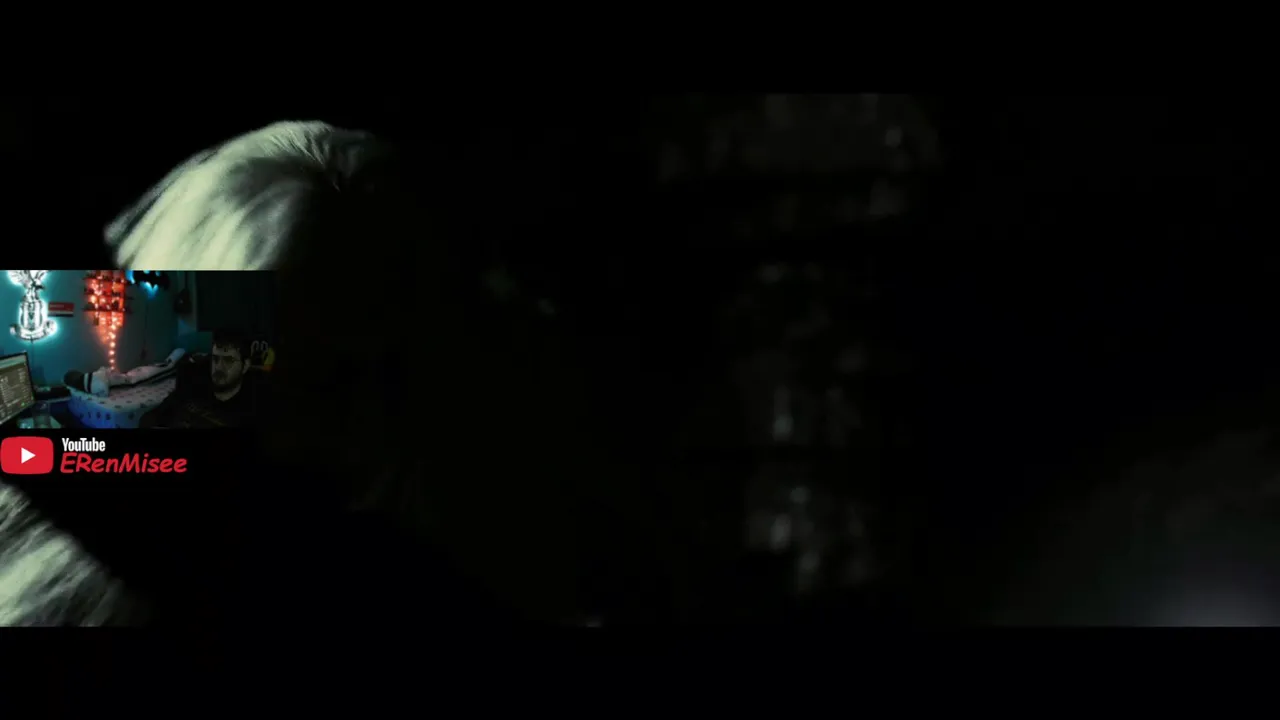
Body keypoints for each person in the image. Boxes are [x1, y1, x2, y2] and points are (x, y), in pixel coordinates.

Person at [139, 330, 261, 429]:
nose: (219, 367)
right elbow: (149, 418)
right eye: (215, 359)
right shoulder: (193, 384)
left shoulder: (250, 410)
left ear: (245, 366)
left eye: (228, 361)